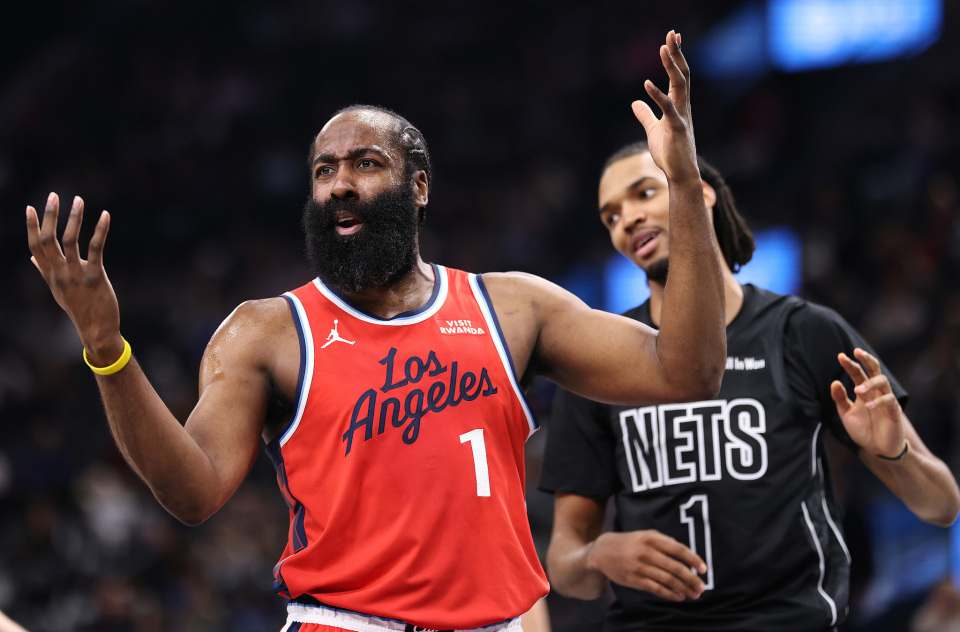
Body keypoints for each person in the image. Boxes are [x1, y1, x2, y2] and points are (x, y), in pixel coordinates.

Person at [25, 32, 725, 632]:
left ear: (418, 187)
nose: (339, 184)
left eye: (365, 163)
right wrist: (107, 350)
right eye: (324, 170)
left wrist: (684, 186)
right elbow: (193, 493)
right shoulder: (266, 332)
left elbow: (687, 372)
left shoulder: (512, 308)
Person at [538, 141, 960, 631]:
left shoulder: (804, 332)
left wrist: (895, 453)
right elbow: (564, 565)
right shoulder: (600, 360)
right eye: (610, 216)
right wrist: (596, 555)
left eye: (644, 193)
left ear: (701, 194)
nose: (627, 220)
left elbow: (942, 505)